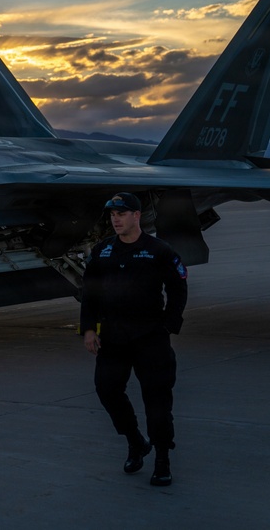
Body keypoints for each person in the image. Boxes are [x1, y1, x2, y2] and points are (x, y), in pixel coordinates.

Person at [80, 192, 187, 487]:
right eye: (113, 214)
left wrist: (169, 324)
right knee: (107, 390)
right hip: (113, 338)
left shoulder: (158, 250)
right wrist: (89, 329)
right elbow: (89, 294)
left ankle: (162, 458)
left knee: (157, 401)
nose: (116, 219)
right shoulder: (102, 252)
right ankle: (135, 442)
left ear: (137, 216)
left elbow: (178, 288)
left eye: (122, 213)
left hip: (149, 338)